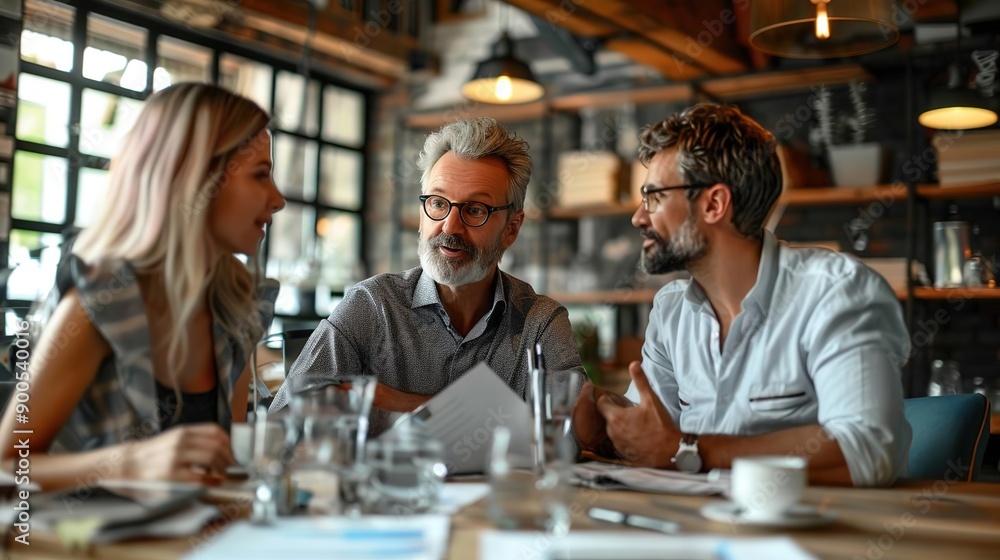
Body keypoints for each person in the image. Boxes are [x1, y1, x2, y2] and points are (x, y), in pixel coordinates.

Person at [572, 103, 910, 487]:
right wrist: (602, 423)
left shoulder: (836, 292)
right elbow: (651, 436)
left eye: (654, 197)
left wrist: (690, 451)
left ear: (714, 204)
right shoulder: (672, 311)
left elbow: (866, 450)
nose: (638, 217)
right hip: (693, 530)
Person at [0, 83, 286, 490]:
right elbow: (7, 466)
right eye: (261, 175)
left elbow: (220, 471)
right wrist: (126, 463)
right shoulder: (100, 303)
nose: (278, 199)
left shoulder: (236, 304)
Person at [271, 117, 584, 423]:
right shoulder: (372, 304)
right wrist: (505, 418)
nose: (450, 226)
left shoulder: (540, 323)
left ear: (511, 228)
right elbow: (286, 416)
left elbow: (564, 437)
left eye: (475, 210)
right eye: (437, 203)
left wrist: (397, 402)